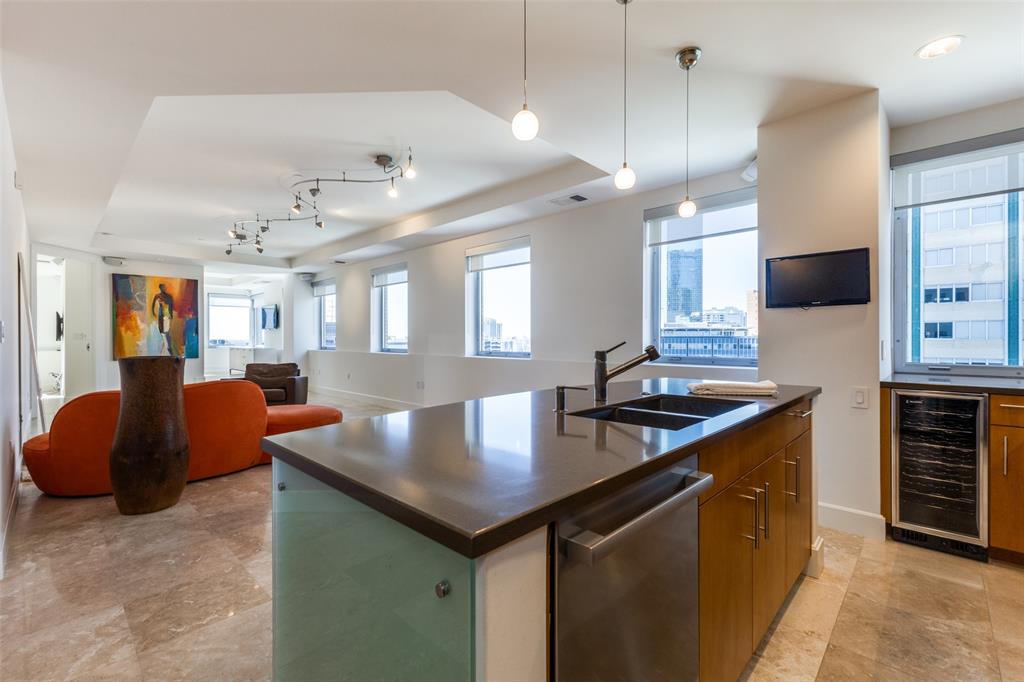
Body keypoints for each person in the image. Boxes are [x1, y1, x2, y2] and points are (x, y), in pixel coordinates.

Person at [151, 283, 176, 356]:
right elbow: (153, 305)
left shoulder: (169, 296)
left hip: (166, 315)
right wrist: (153, 312)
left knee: (166, 331)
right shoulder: (157, 295)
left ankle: (167, 349)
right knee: (162, 331)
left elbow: (171, 306)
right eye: (162, 287)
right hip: (160, 315)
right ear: (160, 288)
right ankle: (166, 348)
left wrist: (171, 315)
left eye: (165, 287)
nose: (164, 288)